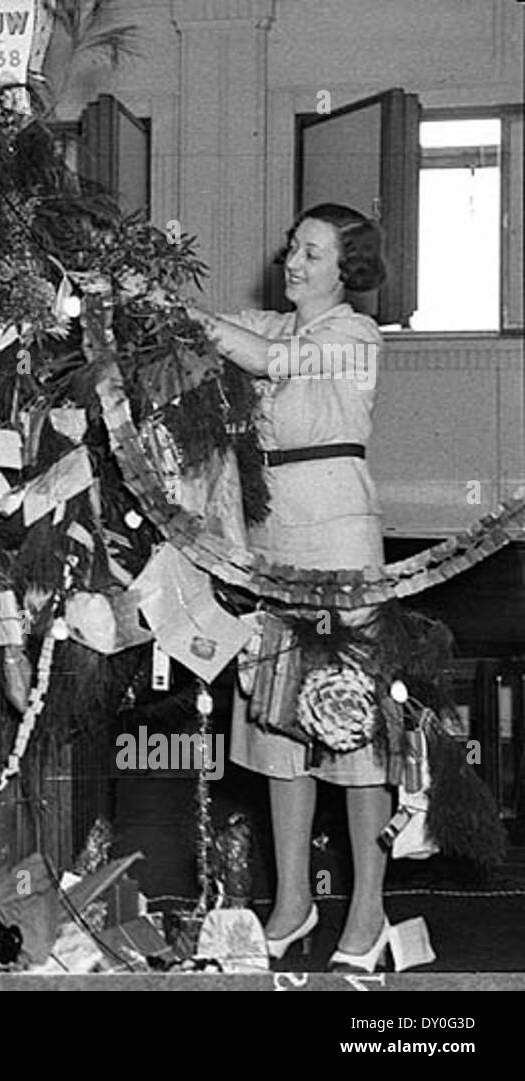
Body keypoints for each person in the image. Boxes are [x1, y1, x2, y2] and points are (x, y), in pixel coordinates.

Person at [188, 203, 395, 972]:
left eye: (312, 251)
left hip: (339, 536)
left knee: (353, 731)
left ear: (348, 267)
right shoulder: (274, 325)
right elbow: (209, 323)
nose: (293, 260)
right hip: (272, 542)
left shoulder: (354, 337)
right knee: (279, 729)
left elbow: (264, 359)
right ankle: (292, 902)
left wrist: (205, 326)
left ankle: (368, 912)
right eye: (293, 247)